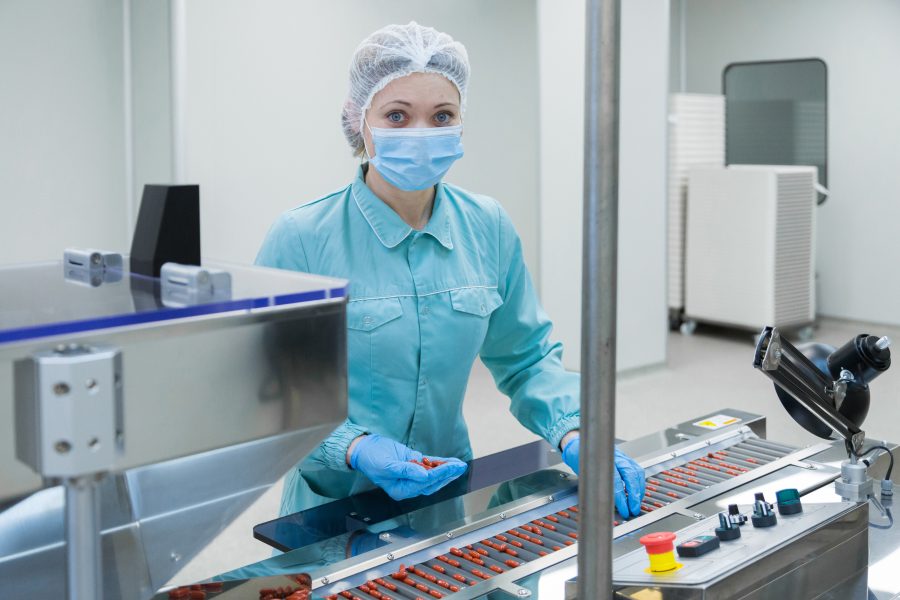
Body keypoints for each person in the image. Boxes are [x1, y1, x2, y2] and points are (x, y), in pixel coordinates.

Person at [256, 21, 646, 522]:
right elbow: (268, 391)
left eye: (441, 116)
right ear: (360, 121)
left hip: (446, 492)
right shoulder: (302, 237)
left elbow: (526, 358)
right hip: (332, 508)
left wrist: (575, 431)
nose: (421, 134)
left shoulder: (487, 226)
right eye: (397, 115)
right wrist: (354, 446)